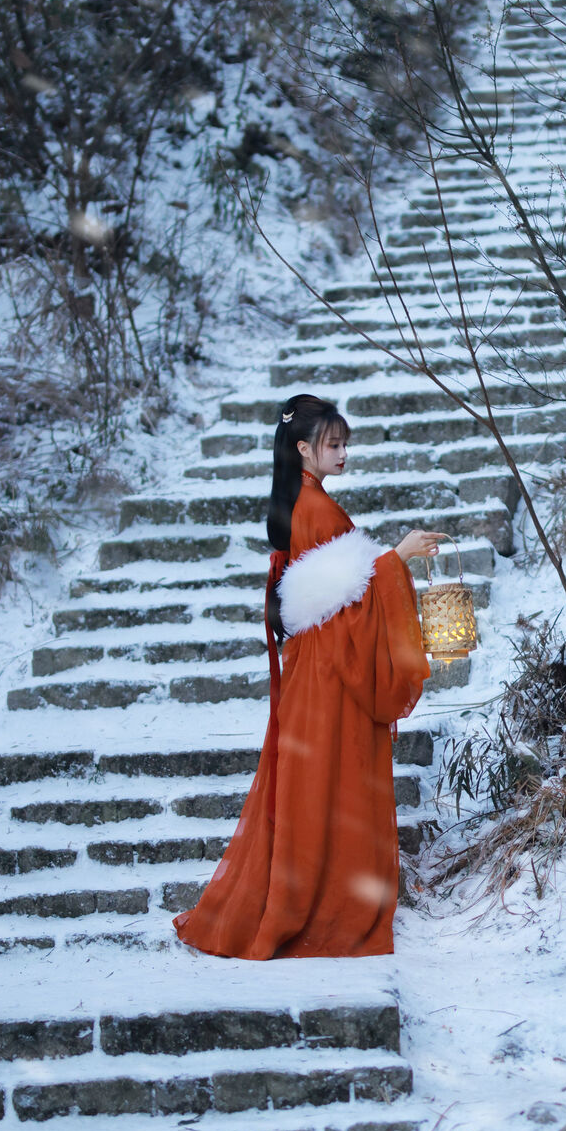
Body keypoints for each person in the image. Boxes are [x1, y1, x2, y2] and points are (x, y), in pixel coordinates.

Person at [174, 393, 443, 960]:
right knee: (333, 780)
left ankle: (310, 895)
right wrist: (398, 555)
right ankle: (329, 905)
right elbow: (354, 602)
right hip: (330, 669)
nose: (343, 453)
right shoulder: (317, 507)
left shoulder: (300, 500)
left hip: (315, 666)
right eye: (332, 444)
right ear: (303, 448)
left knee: (314, 782)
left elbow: (341, 594)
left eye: (345, 444)